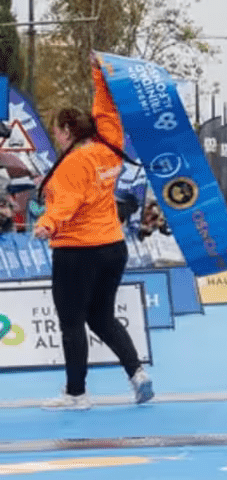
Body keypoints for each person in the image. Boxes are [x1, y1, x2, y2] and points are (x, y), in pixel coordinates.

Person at [34, 55, 154, 411]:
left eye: (56, 131)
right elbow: (108, 111)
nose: (55, 137)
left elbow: (68, 201)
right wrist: (99, 73)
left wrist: (47, 224)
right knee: (101, 316)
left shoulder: (74, 163)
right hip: (112, 247)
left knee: (72, 321)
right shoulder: (108, 149)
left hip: (77, 250)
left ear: (68, 131)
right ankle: (138, 375)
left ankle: (76, 394)